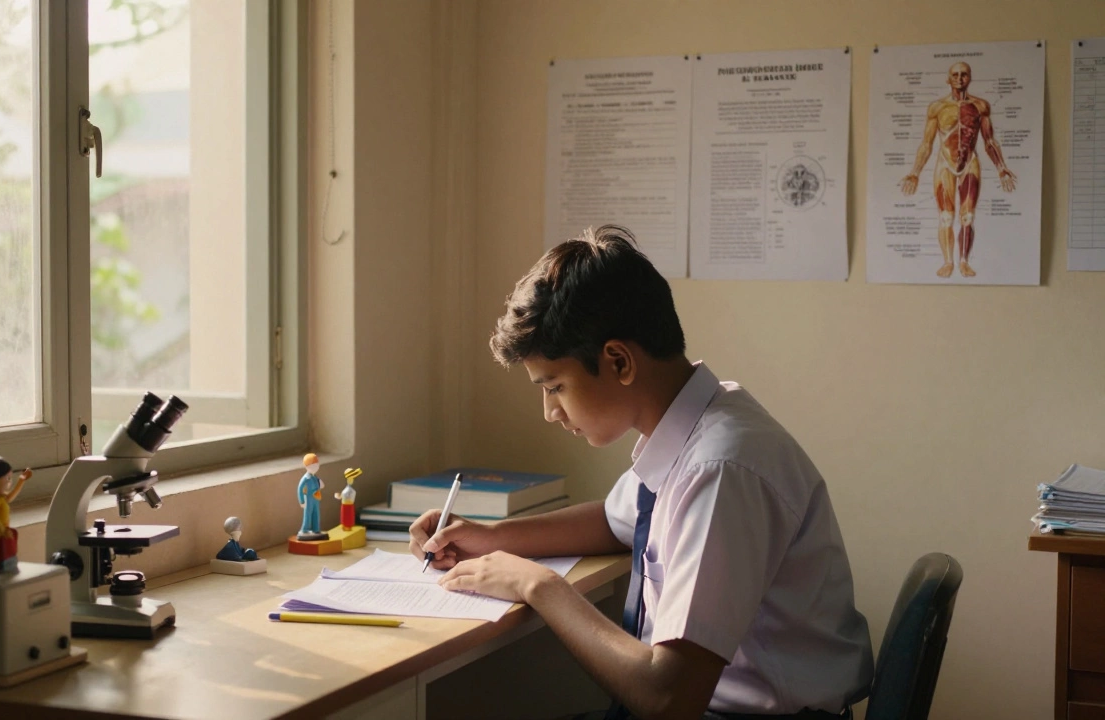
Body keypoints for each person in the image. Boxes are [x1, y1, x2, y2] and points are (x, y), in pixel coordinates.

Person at [409, 226, 873, 720]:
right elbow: (614, 522)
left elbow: (668, 698)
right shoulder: (693, 423)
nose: (550, 412)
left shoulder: (721, 469)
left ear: (618, 361)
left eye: (556, 387)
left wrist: (538, 586)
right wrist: (488, 537)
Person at [900, 61, 1016, 279]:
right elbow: (927, 143)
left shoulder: (981, 106)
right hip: (945, 163)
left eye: (964, 74)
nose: (960, 78)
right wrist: (915, 172)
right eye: (955, 75)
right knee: (945, 217)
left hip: (969, 162)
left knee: (968, 216)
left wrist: (1002, 168)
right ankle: (947, 261)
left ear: (969, 78)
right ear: (948, 78)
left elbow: (989, 141)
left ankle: (963, 261)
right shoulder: (937, 107)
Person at [297, 453, 327, 540]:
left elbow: (321, 485)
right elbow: (300, 489)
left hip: (316, 498)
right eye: (313, 466)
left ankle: (316, 528)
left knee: (316, 513)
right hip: (309, 499)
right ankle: (305, 529)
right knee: (308, 514)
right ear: (307, 466)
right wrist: (302, 501)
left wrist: (320, 483)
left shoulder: (315, 477)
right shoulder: (305, 478)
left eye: (317, 466)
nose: (316, 468)